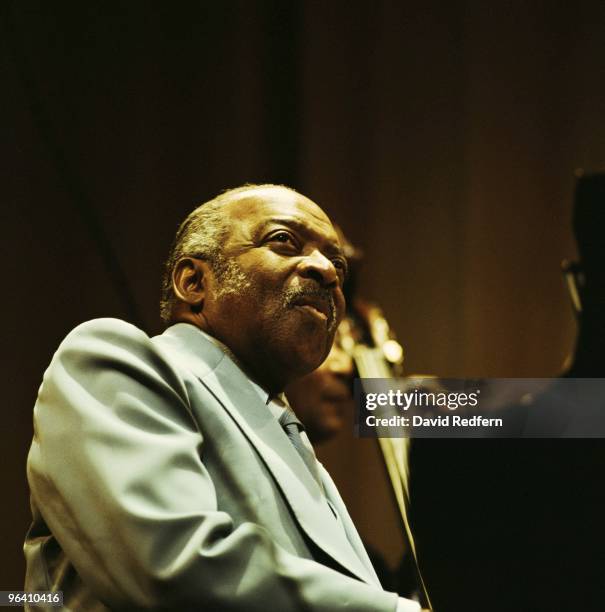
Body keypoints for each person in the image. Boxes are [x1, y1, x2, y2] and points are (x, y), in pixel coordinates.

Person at [24, 184, 423, 611]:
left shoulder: (288, 434)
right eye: (284, 240)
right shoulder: (115, 359)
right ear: (194, 281)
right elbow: (171, 563)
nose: (326, 270)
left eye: (337, 266)